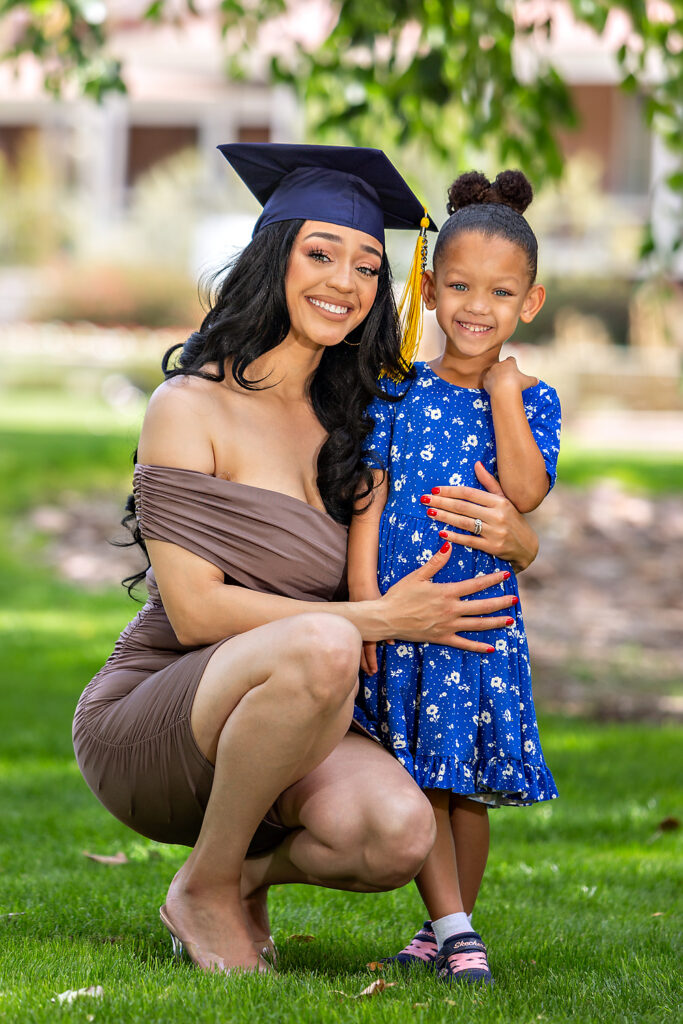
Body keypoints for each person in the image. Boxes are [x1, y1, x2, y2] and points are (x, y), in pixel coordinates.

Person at [72, 146, 539, 977]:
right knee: (324, 642)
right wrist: (372, 620)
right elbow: (196, 615)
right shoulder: (189, 406)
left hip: (300, 710)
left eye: (367, 265)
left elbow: (473, 506)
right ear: (273, 258)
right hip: (163, 715)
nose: (345, 281)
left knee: (398, 833)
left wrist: (521, 539)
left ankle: (233, 876)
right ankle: (208, 888)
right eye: (319, 254)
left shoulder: (360, 415)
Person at [348, 170, 561, 985]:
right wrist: (367, 610)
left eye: (500, 293)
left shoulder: (532, 398)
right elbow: (365, 503)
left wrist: (502, 391)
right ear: (430, 290)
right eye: (461, 286)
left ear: (528, 305)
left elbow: (526, 493)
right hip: (406, 614)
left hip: (476, 622)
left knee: (462, 785)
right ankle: (453, 926)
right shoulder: (394, 391)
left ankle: (448, 928)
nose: (478, 307)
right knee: (420, 779)